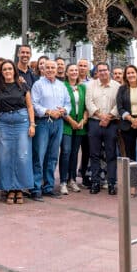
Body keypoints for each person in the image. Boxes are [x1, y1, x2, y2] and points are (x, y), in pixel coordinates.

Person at [0, 60, 36, 204]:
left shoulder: (23, 85)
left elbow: (30, 106)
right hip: (4, 122)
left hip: (21, 121)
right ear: (2, 72)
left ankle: (19, 189)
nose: (7, 71)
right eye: (4, 69)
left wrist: (32, 124)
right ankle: (9, 189)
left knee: (22, 156)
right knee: (4, 156)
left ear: (14, 71)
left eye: (9, 69)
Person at [31, 59, 70, 200]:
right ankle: (35, 188)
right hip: (43, 123)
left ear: (57, 69)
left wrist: (63, 110)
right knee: (39, 155)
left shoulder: (62, 85)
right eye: (47, 67)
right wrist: (48, 111)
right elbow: (34, 104)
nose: (50, 70)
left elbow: (68, 103)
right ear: (43, 69)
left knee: (53, 157)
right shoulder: (38, 85)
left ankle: (48, 187)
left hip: (58, 123)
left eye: (52, 67)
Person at [85, 62, 120, 195]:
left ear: (109, 71)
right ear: (97, 73)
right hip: (94, 123)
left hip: (111, 124)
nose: (103, 73)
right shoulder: (91, 85)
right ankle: (95, 182)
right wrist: (101, 116)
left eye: (105, 70)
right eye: (100, 71)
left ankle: (111, 183)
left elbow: (119, 104)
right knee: (94, 154)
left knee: (111, 154)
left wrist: (109, 117)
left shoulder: (117, 86)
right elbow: (89, 103)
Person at [116, 65, 137, 198]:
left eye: (133, 72)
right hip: (127, 126)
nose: (130, 75)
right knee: (130, 156)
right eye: (128, 73)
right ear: (126, 76)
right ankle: (133, 185)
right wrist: (131, 119)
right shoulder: (122, 89)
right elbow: (120, 108)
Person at [60, 63, 87, 194]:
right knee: (66, 152)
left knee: (75, 153)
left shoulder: (82, 88)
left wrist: (83, 120)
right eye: (71, 70)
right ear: (66, 73)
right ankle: (63, 181)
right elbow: (61, 106)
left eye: (76, 70)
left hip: (79, 125)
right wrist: (71, 121)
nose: (74, 72)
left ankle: (72, 180)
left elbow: (86, 107)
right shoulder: (62, 87)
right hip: (67, 124)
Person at [76, 58, 92, 187]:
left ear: (88, 68)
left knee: (87, 151)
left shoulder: (92, 83)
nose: (82, 68)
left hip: (88, 122)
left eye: (84, 66)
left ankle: (85, 175)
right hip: (72, 122)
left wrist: (85, 118)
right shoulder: (72, 82)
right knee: (72, 151)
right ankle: (71, 178)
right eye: (80, 65)